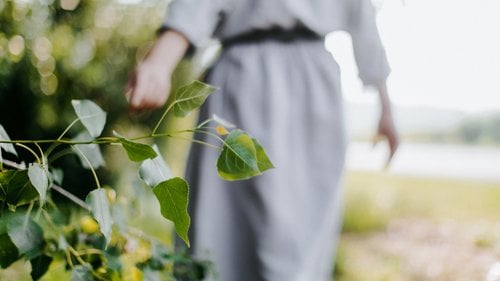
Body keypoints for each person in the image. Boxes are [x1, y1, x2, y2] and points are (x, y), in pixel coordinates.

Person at [126, 0, 399, 280]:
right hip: (244, 81)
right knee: (221, 231)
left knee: (298, 239)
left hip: (314, 92)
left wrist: (386, 107)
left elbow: (361, 14)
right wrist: (159, 63)